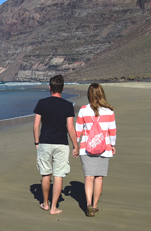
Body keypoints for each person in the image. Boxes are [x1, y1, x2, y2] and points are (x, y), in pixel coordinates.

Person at [33, 75, 79, 215]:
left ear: (50, 88)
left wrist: (36, 142)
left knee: (45, 174)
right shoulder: (67, 105)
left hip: (45, 142)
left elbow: (36, 125)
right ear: (63, 88)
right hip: (61, 143)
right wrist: (76, 146)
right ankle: (54, 207)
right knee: (58, 175)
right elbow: (70, 128)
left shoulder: (42, 103)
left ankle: (45, 204)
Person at [76, 83, 116, 217]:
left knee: (89, 177)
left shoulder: (83, 110)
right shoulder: (109, 111)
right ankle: (95, 205)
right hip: (104, 148)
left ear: (89, 95)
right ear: (102, 94)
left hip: (86, 148)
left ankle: (87, 204)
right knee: (99, 177)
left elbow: (78, 131)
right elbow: (112, 131)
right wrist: (113, 145)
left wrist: (76, 146)